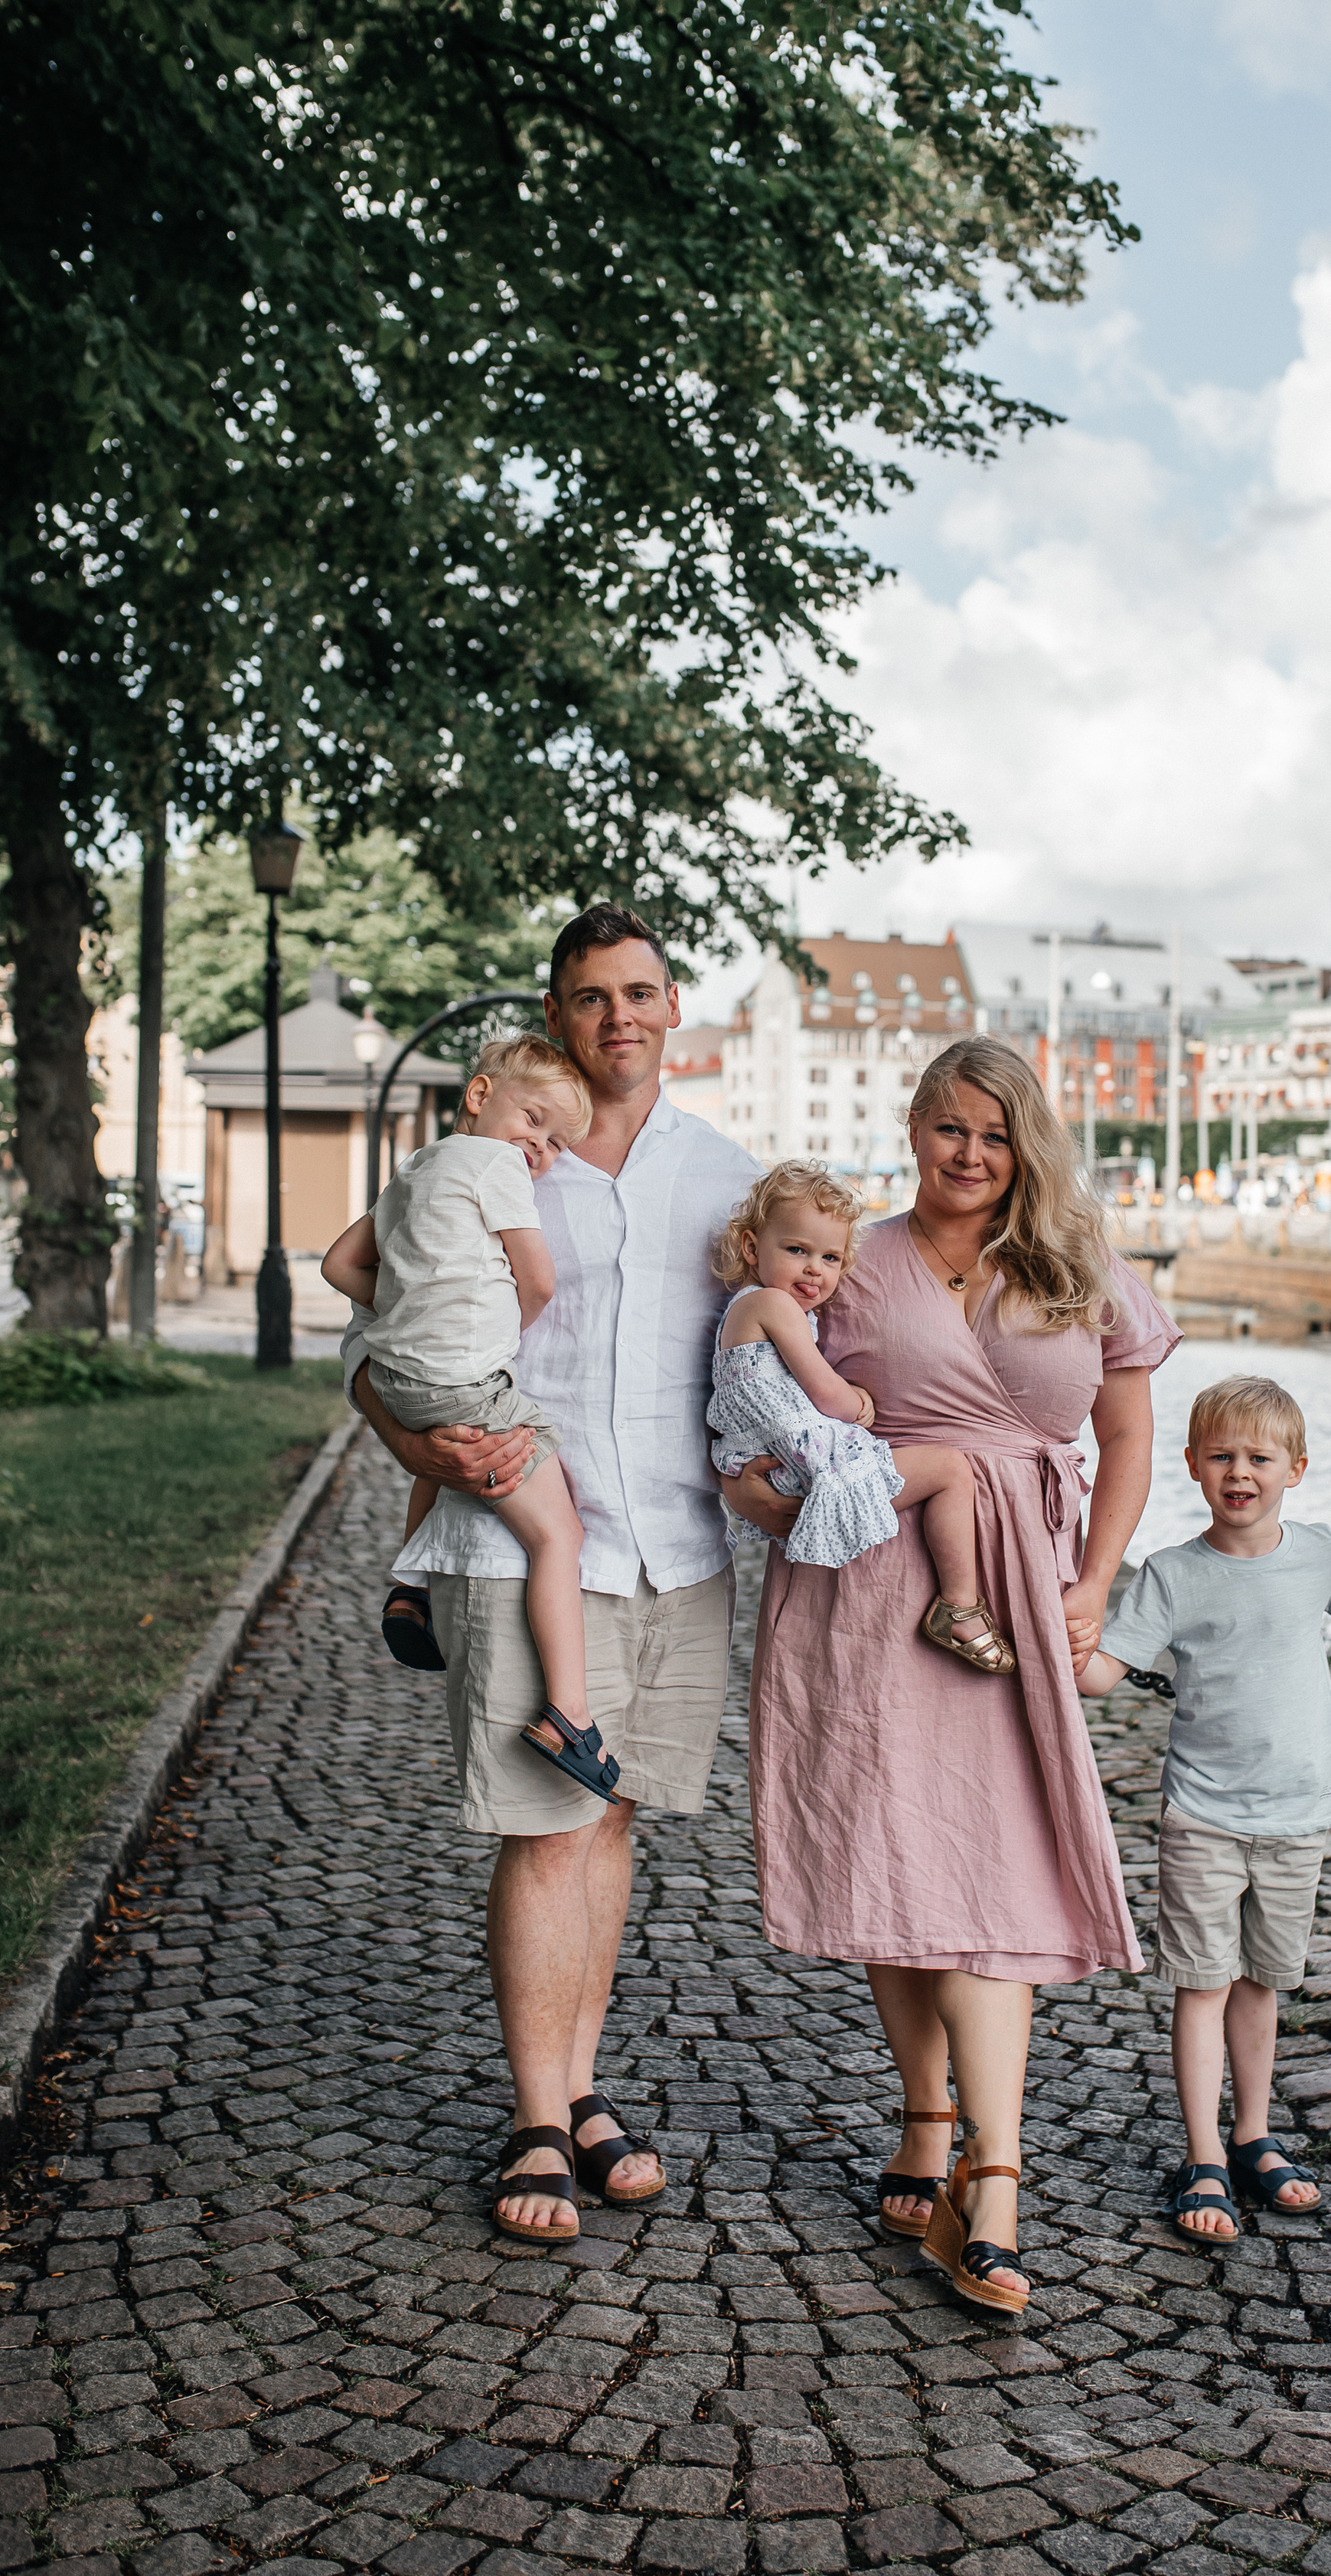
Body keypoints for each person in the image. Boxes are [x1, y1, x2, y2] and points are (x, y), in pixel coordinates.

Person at [728, 1033, 1178, 2317]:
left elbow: (1127, 1429)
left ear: (1020, 1138)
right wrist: (764, 1505)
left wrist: (1093, 1579)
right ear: (912, 1127)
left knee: (992, 1867)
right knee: (899, 1855)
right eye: (946, 1129)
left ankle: (995, 2173)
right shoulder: (845, 1262)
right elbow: (752, 1402)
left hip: (1019, 1590)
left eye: (992, 1133)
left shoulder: (1079, 1260)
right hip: (872, 1588)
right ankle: (927, 2118)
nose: (968, 1155)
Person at [343, 904, 757, 2247]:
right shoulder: (493, 1157)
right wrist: (411, 1435)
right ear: (557, 1013)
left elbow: (791, 1337)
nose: (618, 1016)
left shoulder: (727, 1178)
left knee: (611, 1818)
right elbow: (371, 1327)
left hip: (678, 1549)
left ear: (672, 1004)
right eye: (590, 996)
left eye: (639, 991)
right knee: (543, 1826)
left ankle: (579, 2092)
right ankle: (533, 2117)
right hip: (522, 1540)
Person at [1081, 1372, 1331, 2241]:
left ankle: (1255, 2135)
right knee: (1203, 1984)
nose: (1239, 1472)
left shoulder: (1318, 1553)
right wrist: (1051, 1627)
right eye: (1221, 1456)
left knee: (1263, 1982)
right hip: (1205, 1819)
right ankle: (1205, 2154)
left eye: (1259, 1457)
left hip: (1299, 1815)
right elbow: (1104, 1671)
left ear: (1296, 1467)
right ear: (1190, 1465)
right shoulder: (1174, 1577)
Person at [320, 1033, 618, 1801]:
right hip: (467, 1380)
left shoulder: (417, 1167)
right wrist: (494, 1324)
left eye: (556, 1143)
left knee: (447, 1461)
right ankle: (569, 1716)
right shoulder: (498, 1165)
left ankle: (409, 1587)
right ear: (480, 1094)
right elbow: (542, 1281)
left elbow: (339, 1265)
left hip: (401, 1378)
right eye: (533, 1119)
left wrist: (414, 1311)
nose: (539, 1148)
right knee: (560, 1533)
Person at [709, 1162, 998, 1664]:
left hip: (773, 1465)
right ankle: (958, 1606)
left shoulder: (745, 1308)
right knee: (951, 1470)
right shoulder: (774, 1306)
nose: (813, 1269)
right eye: (796, 1250)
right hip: (802, 1466)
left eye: (829, 1257)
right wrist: (859, 1402)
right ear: (752, 1248)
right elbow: (828, 1396)